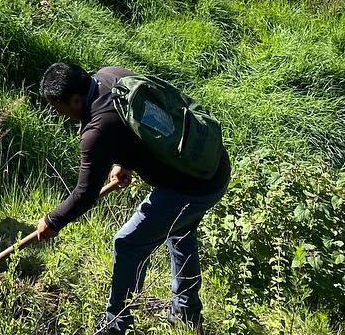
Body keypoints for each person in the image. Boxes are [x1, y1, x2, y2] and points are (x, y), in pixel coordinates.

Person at [36, 62, 231, 335]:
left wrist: (53, 220)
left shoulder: (96, 132)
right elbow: (141, 121)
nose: (59, 114)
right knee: (180, 229)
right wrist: (124, 161)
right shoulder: (111, 75)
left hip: (191, 187)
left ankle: (116, 326)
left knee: (128, 243)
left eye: (58, 107)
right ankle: (186, 312)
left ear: (76, 99)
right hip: (213, 164)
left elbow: (85, 193)